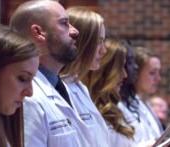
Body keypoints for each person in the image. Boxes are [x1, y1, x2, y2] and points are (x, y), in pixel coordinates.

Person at [9, 1, 106, 146]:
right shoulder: (27, 96)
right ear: (38, 32)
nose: (75, 31)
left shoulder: (65, 88)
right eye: (64, 23)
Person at [60, 6, 110, 146]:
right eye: (99, 41)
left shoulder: (79, 86)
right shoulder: (58, 87)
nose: (104, 50)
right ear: (82, 43)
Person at [82, 38, 136, 147]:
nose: (125, 75)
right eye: (120, 68)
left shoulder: (113, 107)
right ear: (105, 70)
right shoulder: (83, 104)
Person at [118, 46, 163, 146]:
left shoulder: (144, 103)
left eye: (159, 73)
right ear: (136, 73)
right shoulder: (121, 105)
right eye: (152, 73)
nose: (158, 78)